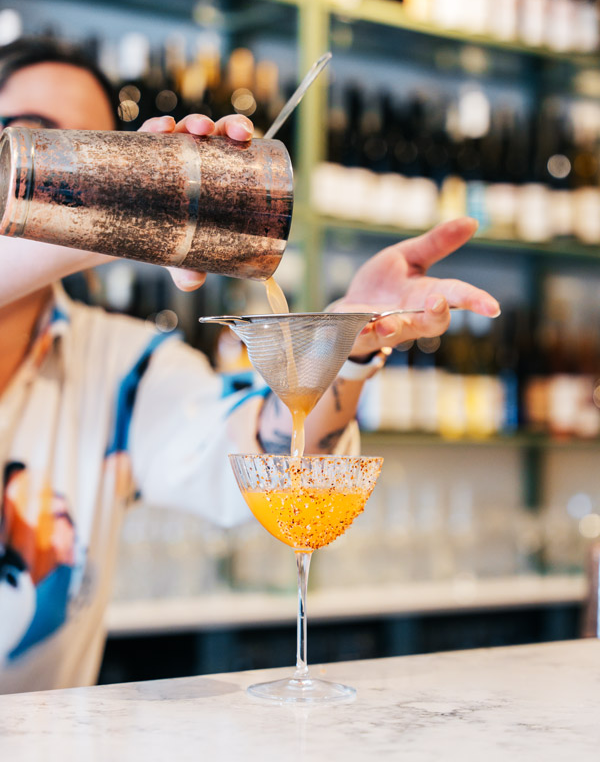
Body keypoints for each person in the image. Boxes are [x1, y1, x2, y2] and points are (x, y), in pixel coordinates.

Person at [0, 38, 500, 694]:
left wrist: (342, 336)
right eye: (32, 136)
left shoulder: (123, 365)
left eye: (93, 145)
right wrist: (119, 208)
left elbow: (268, 449)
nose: (72, 159)